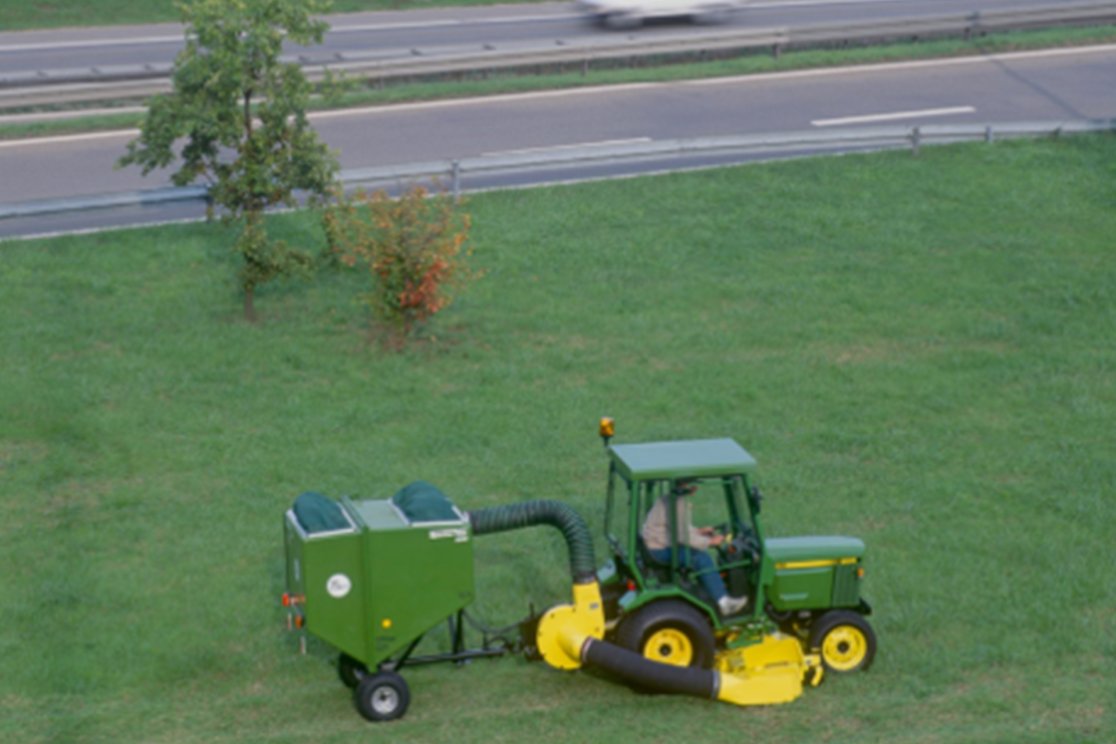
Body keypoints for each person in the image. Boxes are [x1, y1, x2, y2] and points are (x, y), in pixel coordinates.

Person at [641, 478, 749, 616]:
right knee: (701, 558)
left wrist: (699, 531)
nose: (694, 490)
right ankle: (724, 603)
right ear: (691, 488)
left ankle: (713, 590)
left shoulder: (670, 499)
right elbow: (682, 537)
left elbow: (676, 527)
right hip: (659, 550)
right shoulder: (678, 503)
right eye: (693, 486)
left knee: (697, 553)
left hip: (655, 544)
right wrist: (710, 542)